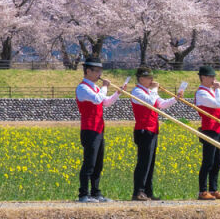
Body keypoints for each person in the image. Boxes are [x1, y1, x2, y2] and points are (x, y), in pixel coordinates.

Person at [127, 68, 175, 201]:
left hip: (153, 129)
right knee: (143, 162)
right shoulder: (137, 91)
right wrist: (155, 90)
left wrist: (175, 99)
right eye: (149, 78)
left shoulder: (150, 92)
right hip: (143, 130)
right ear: (141, 79)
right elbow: (149, 101)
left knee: (150, 162)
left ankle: (148, 191)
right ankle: (138, 191)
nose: (152, 80)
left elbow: (162, 104)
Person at [74, 59, 117, 203]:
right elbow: (98, 99)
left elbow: (106, 102)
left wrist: (118, 92)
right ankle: (83, 194)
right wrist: (105, 86)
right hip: (89, 128)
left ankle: (96, 192)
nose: (100, 74)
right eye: (97, 71)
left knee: (98, 163)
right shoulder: (83, 88)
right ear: (88, 71)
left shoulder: (95, 87)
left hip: (99, 128)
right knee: (89, 162)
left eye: (100, 71)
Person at [194, 66, 220, 200]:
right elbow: (217, 104)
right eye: (211, 77)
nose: (213, 79)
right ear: (203, 77)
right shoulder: (201, 93)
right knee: (208, 161)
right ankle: (202, 191)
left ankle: (213, 189)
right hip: (209, 129)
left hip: (218, 127)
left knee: (217, 160)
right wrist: (218, 90)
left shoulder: (211, 92)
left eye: (214, 77)